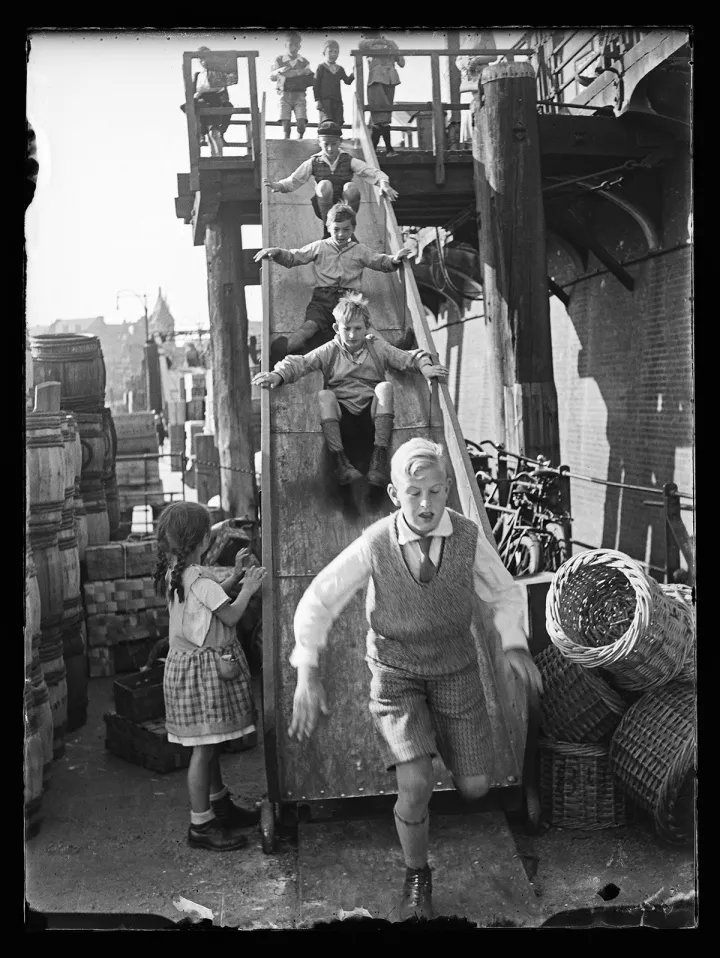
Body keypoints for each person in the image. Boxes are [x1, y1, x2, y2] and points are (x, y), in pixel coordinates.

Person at [287, 437, 544, 919]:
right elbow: (319, 599)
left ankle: (436, 743)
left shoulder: (467, 537)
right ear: (394, 495)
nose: (425, 504)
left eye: (435, 492)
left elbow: (505, 593)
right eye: (413, 493)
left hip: (455, 670)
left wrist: (513, 642)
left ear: (448, 490)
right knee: (416, 783)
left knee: (475, 787)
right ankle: (417, 872)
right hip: (396, 673)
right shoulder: (376, 543)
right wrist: (307, 668)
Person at [154, 502, 267, 852]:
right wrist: (248, 587)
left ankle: (219, 806)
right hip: (203, 674)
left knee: (210, 741)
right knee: (203, 749)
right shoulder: (201, 580)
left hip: (184, 668)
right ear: (204, 539)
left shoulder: (179, 572)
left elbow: (206, 602)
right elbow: (230, 615)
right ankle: (200, 824)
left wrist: (233, 575)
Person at [252, 292, 447, 487]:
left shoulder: (377, 347)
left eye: (358, 328)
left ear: (367, 328)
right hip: (342, 419)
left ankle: (379, 457)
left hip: (371, 417)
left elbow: (406, 357)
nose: (352, 335)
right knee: (325, 395)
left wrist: (426, 367)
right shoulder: (330, 350)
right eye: (347, 329)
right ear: (337, 328)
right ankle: (340, 462)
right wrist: (277, 375)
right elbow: (301, 363)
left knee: (385, 387)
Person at [253, 203, 413, 365]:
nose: (341, 234)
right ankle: (280, 351)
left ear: (353, 229)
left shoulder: (359, 250)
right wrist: (277, 252)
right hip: (323, 299)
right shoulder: (320, 247)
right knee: (308, 329)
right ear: (328, 227)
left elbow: (379, 261)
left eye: (346, 229)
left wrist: (394, 260)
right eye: (336, 229)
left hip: (348, 300)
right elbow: (296, 257)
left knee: (367, 330)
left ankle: (396, 353)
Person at [263, 120, 398, 238]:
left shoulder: (348, 160)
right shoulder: (314, 162)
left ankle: (349, 226)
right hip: (323, 206)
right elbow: (294, 180)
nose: (330, 148)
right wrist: (279, 186)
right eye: (326, 144)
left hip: (344, 206)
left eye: (333, 144)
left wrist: (384, 184)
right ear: (319, 142)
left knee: (350, 187)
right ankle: (328, 229)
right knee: (324, 185)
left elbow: (375, 173)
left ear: (339, 142)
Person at [358, 31, 405, 156]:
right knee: (379, 116)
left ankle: (373, 151)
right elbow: (361, 46)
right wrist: (380, 42)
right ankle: (388, 149)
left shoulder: (390, 43)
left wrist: (392, 46)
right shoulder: (367, 42)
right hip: (376, 79)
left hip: (390, 79)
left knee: (383, 117)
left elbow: (402, 62)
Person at [181, 46, 233, 157]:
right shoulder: (198, 75)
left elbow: (221, 89)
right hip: (201, 103)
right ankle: (200, 134)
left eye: (205, 58)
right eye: (201, 59)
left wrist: (203, 92)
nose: (203, 61)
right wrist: (197, 95)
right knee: (187, 107)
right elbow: (192, 92)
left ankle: (218, 157)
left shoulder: (216, 73)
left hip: (214, 102)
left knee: (214, 133)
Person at [270, 31, 314, 140]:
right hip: (284, 94)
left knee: (301, 123)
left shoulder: (304, 61)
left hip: (299, 95)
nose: (293, 48)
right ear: (286, 45)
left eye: (296, 45)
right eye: (290, 45)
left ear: (299, 46)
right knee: (286, 124)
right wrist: (281, 71)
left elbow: (309, 77)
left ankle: (300, 139)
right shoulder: (279, 60)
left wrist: (294, 74)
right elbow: (272, 76)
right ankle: (287, 142)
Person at [313, 39, 354, 127]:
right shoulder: (321, 68)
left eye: (336, 52)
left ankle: (337, 140)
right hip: (325, 101)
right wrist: (318, 100)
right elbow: (316, 85)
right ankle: (324, 140)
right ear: (324, 53)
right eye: (330, 51)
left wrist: (354, 73)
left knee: (338, 123)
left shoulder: (340, 69)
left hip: (337, 100)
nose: (333, 54)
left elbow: (347, 81)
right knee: (327, 123)